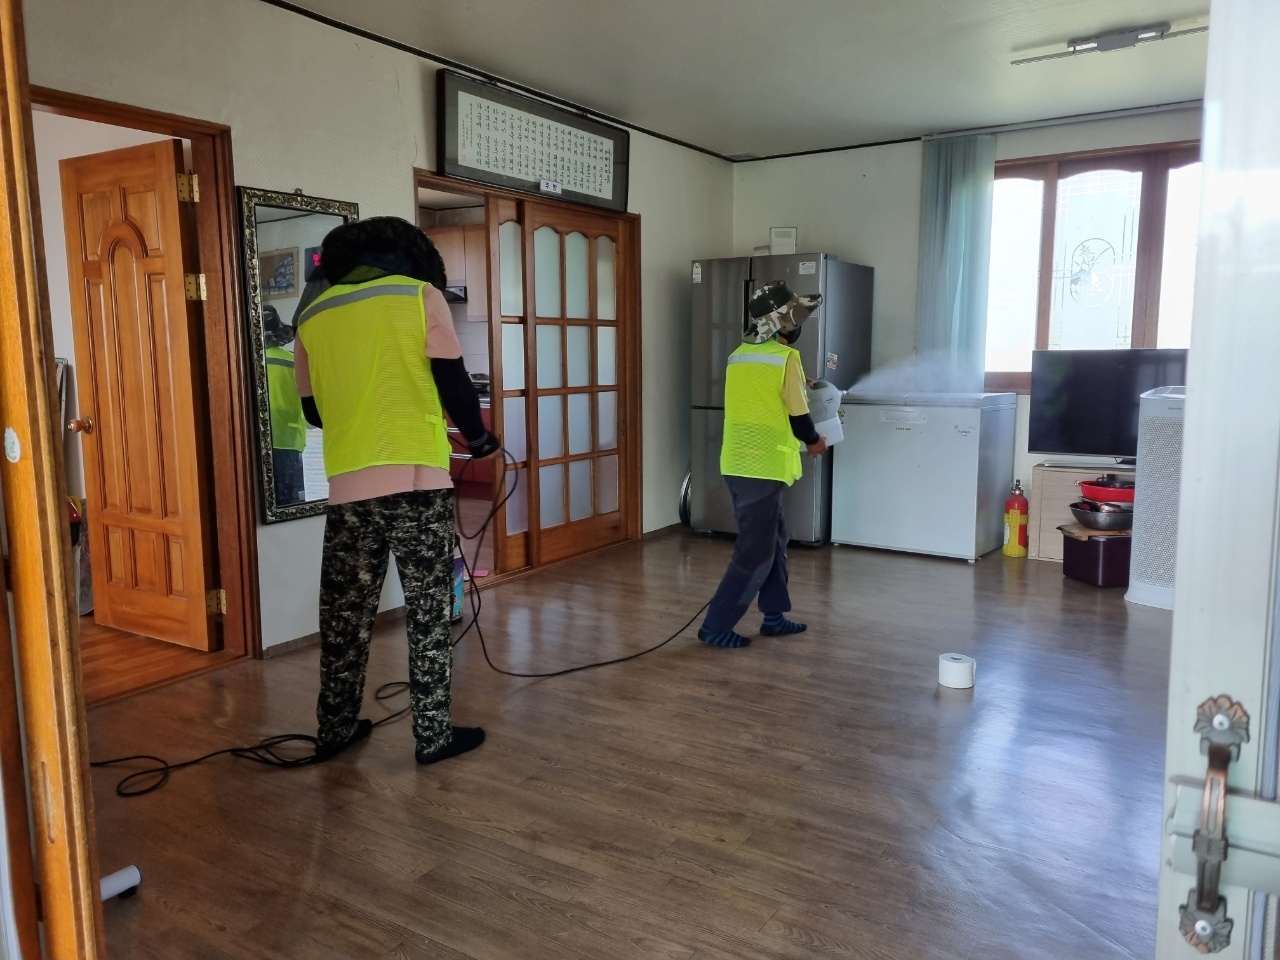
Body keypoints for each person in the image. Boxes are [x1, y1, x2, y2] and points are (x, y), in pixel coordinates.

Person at [293, 216, 500, 764]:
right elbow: (453, 381)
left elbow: (314, 414)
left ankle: (335, 730)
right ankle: (432, 736)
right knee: (428, 613)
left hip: (347, 487)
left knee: (345, 616)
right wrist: (479, 438)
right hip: (415, 483)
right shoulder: (420, 296)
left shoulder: (312, 315)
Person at [698, 281, 827, 649]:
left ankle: (773, 616)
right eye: (795, 319)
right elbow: (799, 416)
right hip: (761, 467)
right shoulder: (786, 358)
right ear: (782, 324)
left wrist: (799, 385)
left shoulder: (739, 356)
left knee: (775, 540)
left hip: (740, 463)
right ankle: (715, 626)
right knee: (755, 552)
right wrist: (814, 441)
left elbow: (762, 398)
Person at [261, 305, 308, 505]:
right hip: (290, 442)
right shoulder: (293, 361)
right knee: (290, 505)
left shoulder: (247, 363)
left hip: (257, 442)